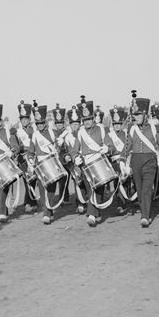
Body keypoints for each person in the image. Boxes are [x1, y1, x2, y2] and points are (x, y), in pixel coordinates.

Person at [121, 91, 159, 227]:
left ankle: (145, 216)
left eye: (138, 114)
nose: (135, 117)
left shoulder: (155, 128)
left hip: (150, 161)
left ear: (145, 114)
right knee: (139, 189)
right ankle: (145, 212)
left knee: (146, 189)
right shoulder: (132, 129)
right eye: (134, 114)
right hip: (135, 162)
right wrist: (123, 161)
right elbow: (127, 147)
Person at [70, 95, 111, 227]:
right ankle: (94, 212)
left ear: (93, 118)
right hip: (86, 165)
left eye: (89, 119)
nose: (87, 122)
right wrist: (75, 157)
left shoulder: (101, 129)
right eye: (84, 119)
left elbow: (109, 145)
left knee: (98, 189)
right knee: (90, 190)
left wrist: (107, 148)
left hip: (99, 161)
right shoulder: (80, 132)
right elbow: (75, 150)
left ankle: (92, 214)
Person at [27, 101, 67, 224]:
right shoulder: (34, 135)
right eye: (37, 123)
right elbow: (30, 152)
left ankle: (48, 212)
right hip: (40, 165)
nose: (39, 125)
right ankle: (47, 213)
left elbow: (61, 148)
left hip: (52, 165)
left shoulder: (52, 133)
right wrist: (29, 161)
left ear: (45, 122)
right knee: (42, 189)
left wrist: (60, 144)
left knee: (51, 190)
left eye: (41, 123)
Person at [107, 105, 132, 215]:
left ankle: (126, 201)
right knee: (118, 183)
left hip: (126, 161)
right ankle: (120, 204)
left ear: (122, 124)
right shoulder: (109, 135)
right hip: (115, 162)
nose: (117, 126)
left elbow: (128, 147)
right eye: (115, 124)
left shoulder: (126, 134)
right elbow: (110, 147)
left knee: (127, 182)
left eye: (119, 124)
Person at [14, 100, 38, 213]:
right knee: (27, 181)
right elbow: (16, 146)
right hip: (22, 159)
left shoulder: (34, 130)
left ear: (29, 119)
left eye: (26, 119)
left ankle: (31, 201)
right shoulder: (17, 132)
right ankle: (29, 202)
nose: (24, 121)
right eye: (22, 119)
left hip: (32, 158)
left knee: (33, 181)